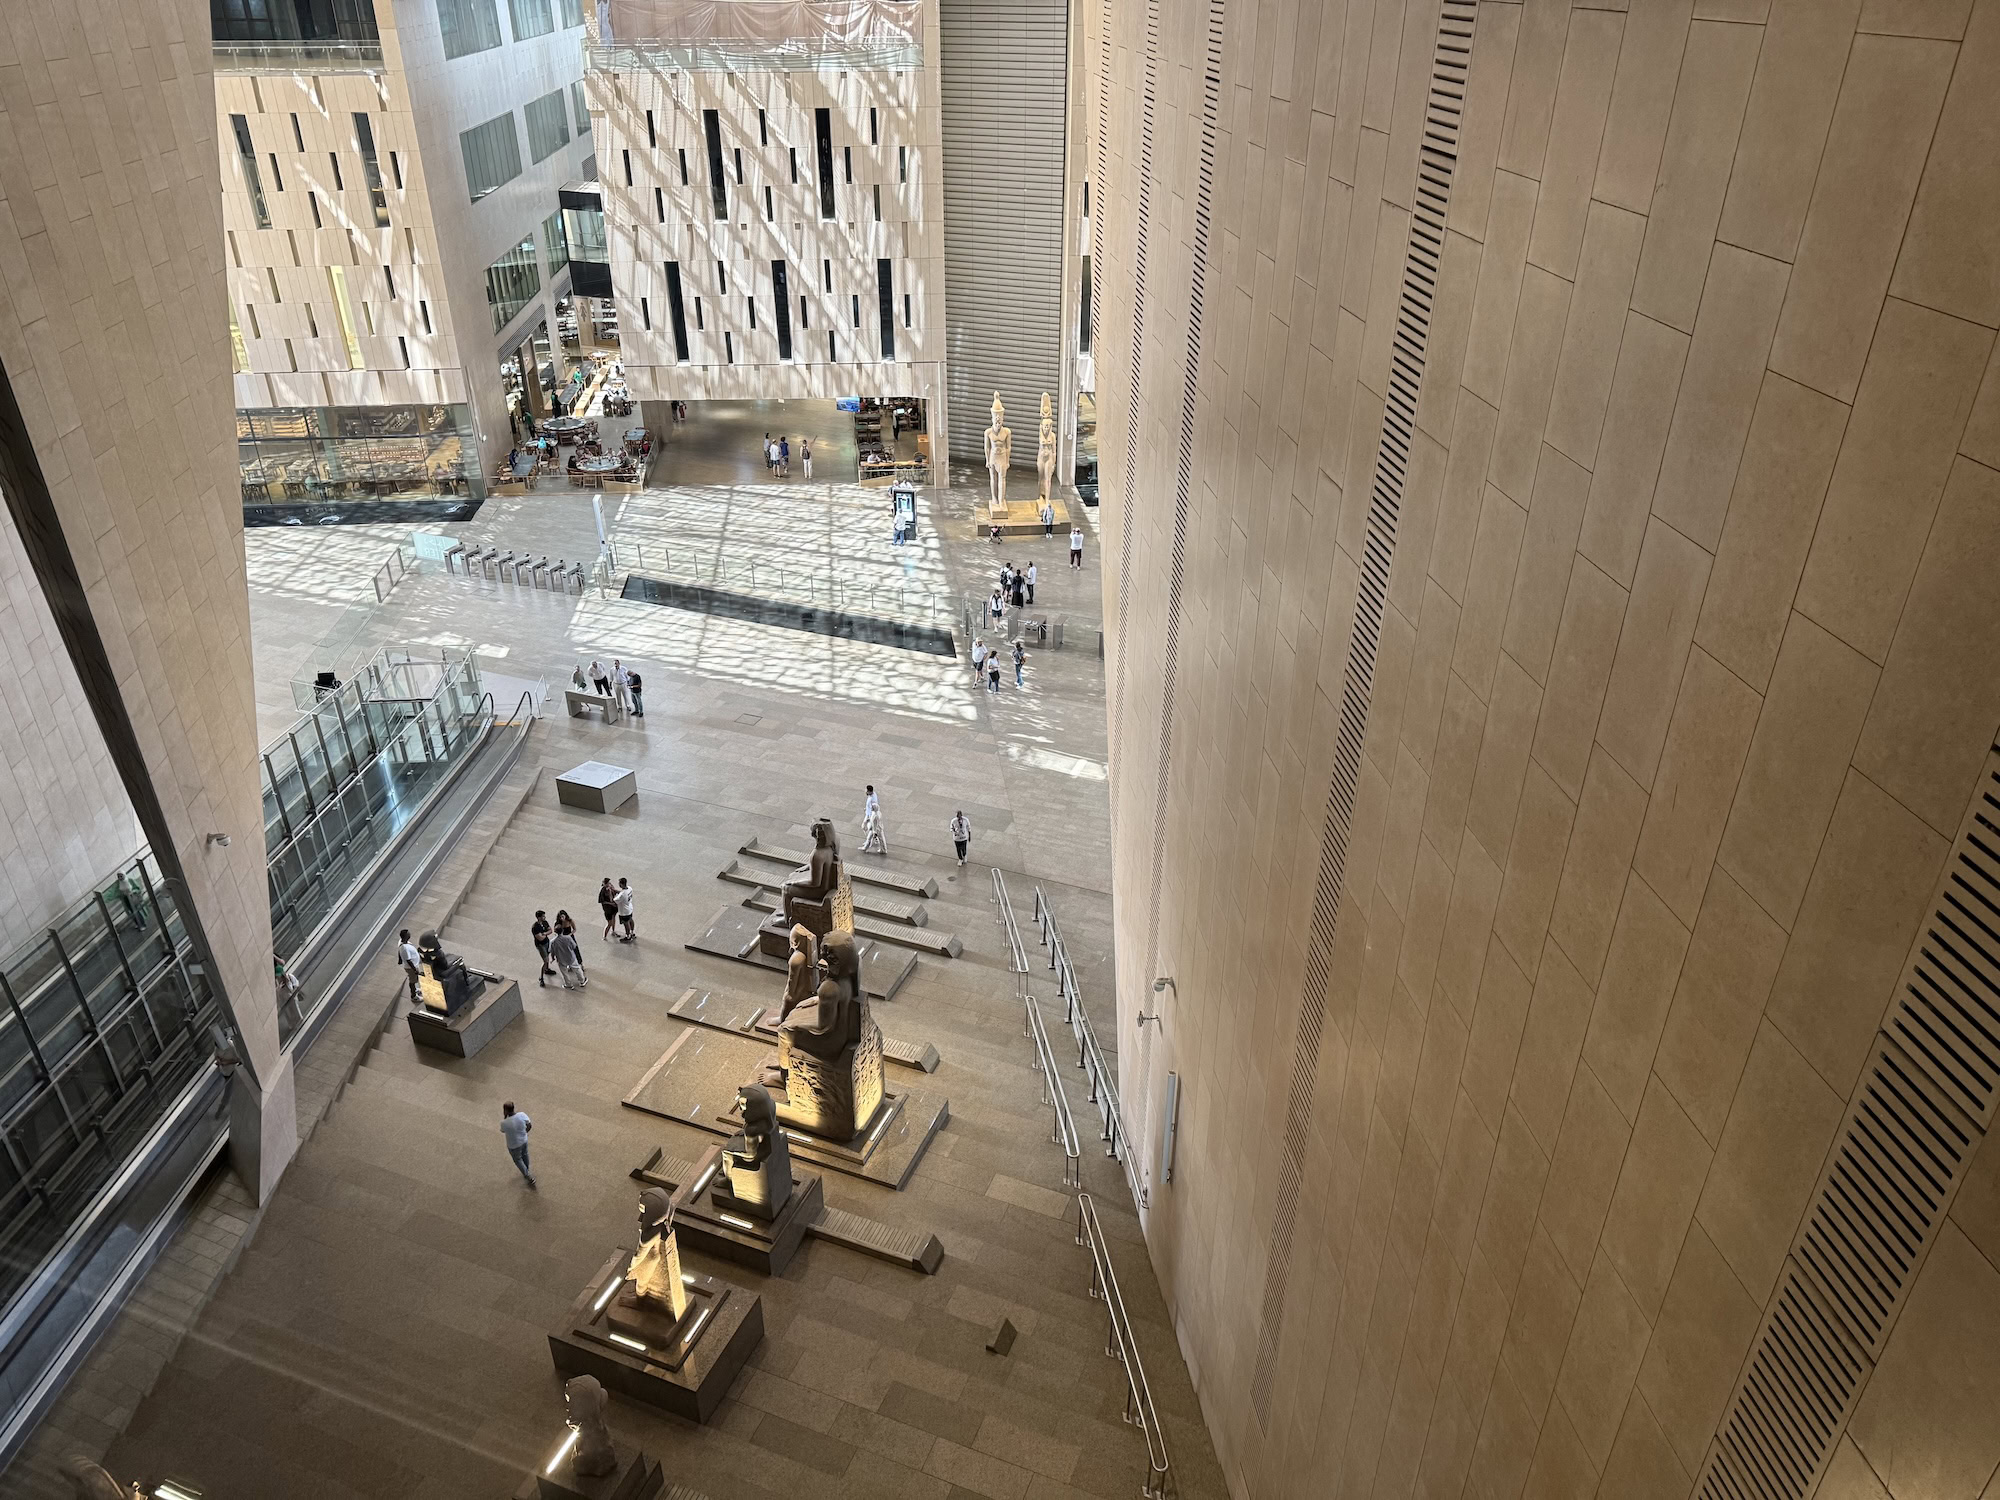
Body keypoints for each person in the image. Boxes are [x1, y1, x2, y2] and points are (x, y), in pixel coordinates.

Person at [501, 1101, 536, 1189]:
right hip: (524, 1140)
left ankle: (527, 1175)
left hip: (513, 1145)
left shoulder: (505, 1123)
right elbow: (529, 1125)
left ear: (505, 1110)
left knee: (517, 1159)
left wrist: (505, 1117)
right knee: (525, 1154)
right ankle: (526, 1169)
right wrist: (525, 1132)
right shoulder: (522, 1115)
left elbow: (503, 1130)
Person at [551, 923, 586, 987]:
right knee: (577, 969)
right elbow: (574, 946)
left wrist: (553, 958)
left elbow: (552, 951)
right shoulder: (568, 938)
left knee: (564, 972)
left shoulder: (553, 941)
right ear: (562, 931)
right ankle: (582, 981)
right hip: (570, 957)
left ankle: (568, 984)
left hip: (561, 959)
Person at [398, 928, 421, 1002]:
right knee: (412, 981)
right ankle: (414, 996)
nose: (410, 934)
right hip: (411, 968)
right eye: (408, 934)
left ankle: (415, 990)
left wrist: (400, 959)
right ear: (405, 936)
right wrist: (415, 969)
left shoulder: (403, 943)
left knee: (413, 980)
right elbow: (408, 960)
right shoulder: (405, 948)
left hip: (413, 966)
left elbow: (399, 950)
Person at [532, 910, 554, 987]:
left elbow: (550, 930)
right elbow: (540, 938)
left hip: (546, 943)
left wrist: (544, 933)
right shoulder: (535, 927)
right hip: (541, 945)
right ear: (539, 917)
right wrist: (545, 934)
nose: (545, 917)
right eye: (543, 916)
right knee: (545, 960)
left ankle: (547, 969)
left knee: (547, 956)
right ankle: (541, 978)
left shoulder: (545, 922)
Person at [615, 877, 637, 942]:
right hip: (630, 907)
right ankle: (632, 933)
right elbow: (623, 892)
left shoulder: (622, 895)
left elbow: (615, 900)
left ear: (621, 884)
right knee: (630, 920)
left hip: (624, 911)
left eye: (619, 883)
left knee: (626, 923)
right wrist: (615, 890)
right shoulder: (630, 888)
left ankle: (628, 937)